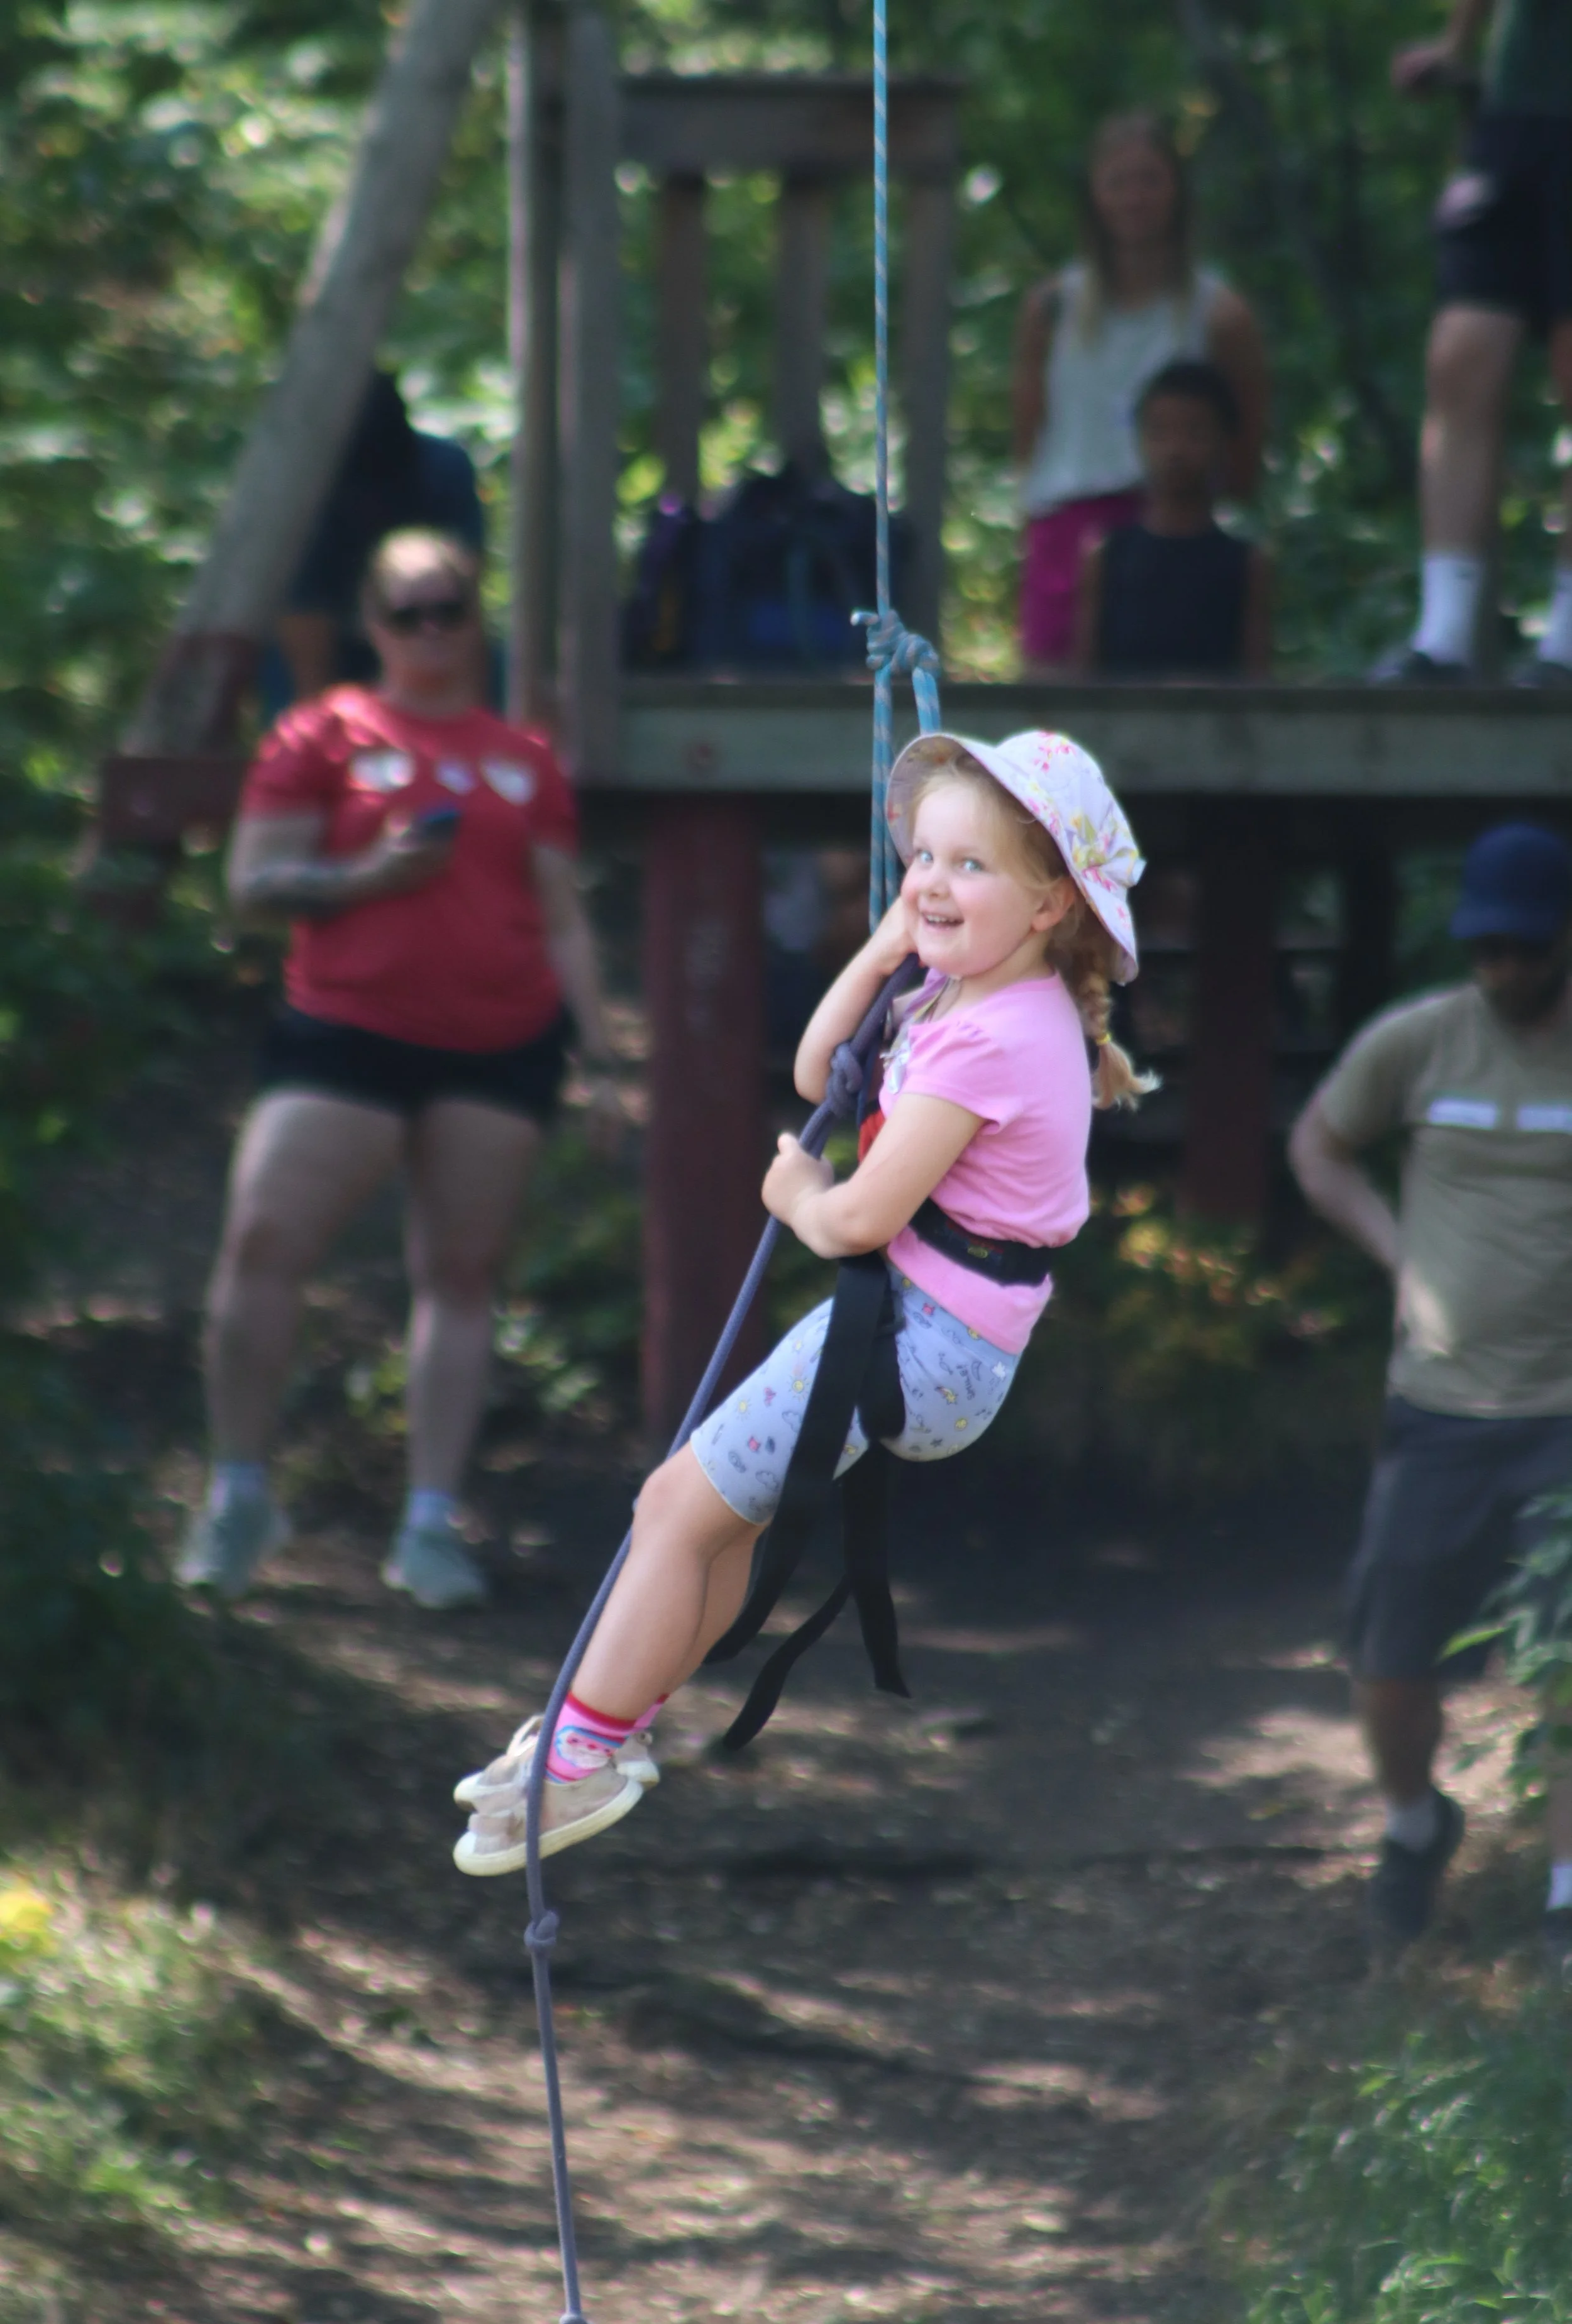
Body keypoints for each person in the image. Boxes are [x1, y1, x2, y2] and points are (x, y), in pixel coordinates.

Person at [448, 730, 1153, 1871]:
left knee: (670, 1509)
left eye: (969, 867)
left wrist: (798, 1195)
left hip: (919, 1342)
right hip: (930, 1338)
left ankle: (582, 1756)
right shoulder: (965, 992)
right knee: (714, 1514)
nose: (931, 882)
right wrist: (886, 946)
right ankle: (616, 1722)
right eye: (925, 857)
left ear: (1047, 908)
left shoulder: (993, 1039)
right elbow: (822, 1068)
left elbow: (863, 1218)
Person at [176, 529, 620, 1611]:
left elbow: (562, 919)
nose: (429, 632)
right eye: (406, 613)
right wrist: (372, 873)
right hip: (343, 1031)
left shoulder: (525, 757)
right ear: (372, 625)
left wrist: (602, 1057)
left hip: (499, 1041)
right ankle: (240, 1492)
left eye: (448, 610)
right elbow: (249, 883)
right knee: (263, 1242)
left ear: (476, 621)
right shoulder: (321, 731)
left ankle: (430, 1522)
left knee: (461, 1276)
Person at [1288, 822, 1572, 1958]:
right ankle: (1416, 1826)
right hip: (1440, 1413)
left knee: (1566, 1671)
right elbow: (1320, 1144)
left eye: (1524, 948)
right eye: (1486, 947)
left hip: (1567, 1415)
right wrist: (1395, 1251)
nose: (1502, 967)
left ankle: (1564, 1909)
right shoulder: (1420, 1043)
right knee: (1388, 1662)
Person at [1012, 111, 1268, 676]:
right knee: (1050, 732)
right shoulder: (1052, 309)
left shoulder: (1220, 315)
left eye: (1150, 180)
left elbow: (1244, 447)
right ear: (1095, 197)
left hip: (1174, 534)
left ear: (1177, 190)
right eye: (1118, 182)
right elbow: (1029, 438)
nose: (1135, 198)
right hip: (1066, 532)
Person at [1376, 0, 1572, 681]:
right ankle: (1443, 639)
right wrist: (1457, 46)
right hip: (1513, 113)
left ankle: (1567, 642)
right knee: (1461, 356)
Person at [264, 372, 485, 712]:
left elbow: (462, 603)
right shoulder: (305, 490)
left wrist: (466, 725)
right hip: (331, 638)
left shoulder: (444, 470)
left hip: (424, 616)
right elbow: (303, 618)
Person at [1073, 359, 1272, 677]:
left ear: (1223, 442)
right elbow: (1085, 680)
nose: (1175, 450)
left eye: (1195, 432)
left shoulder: (1244, 563)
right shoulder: (1107, 556)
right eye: (1159, 432)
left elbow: (1256, 681)